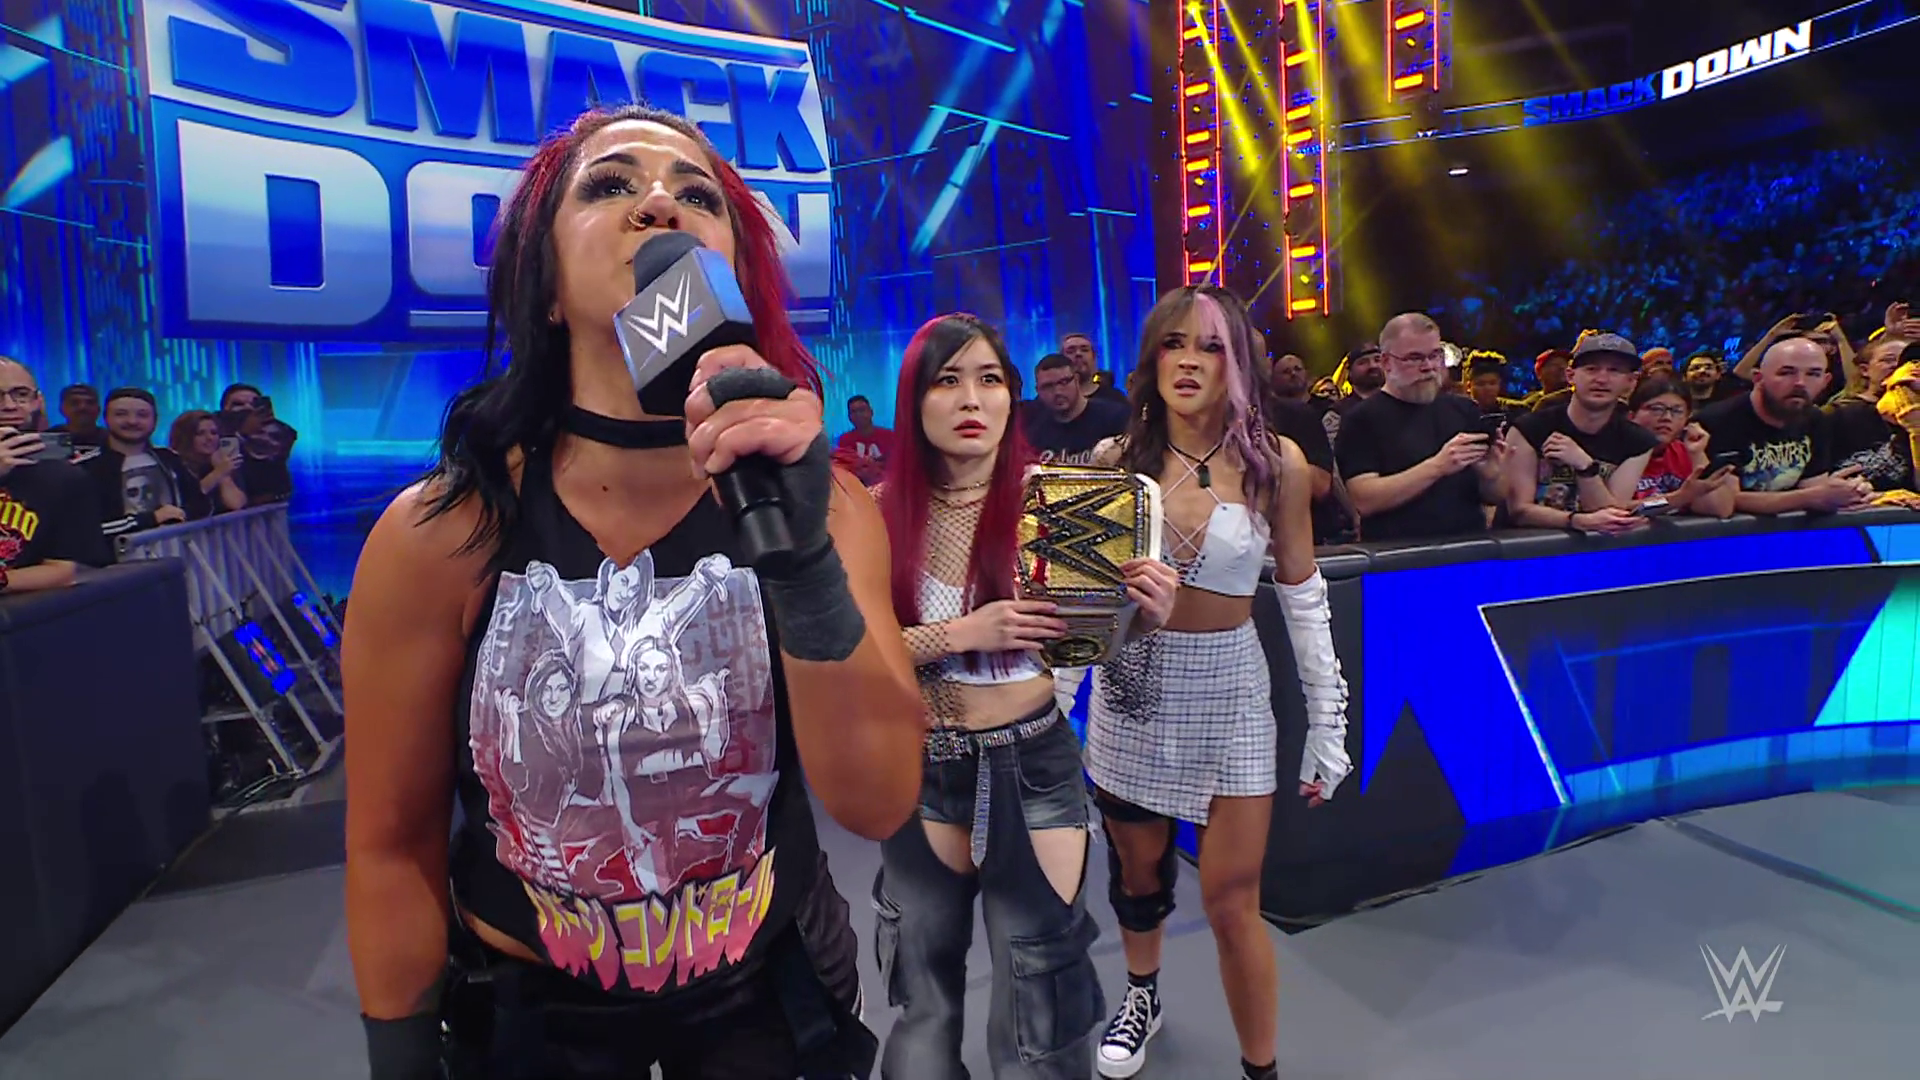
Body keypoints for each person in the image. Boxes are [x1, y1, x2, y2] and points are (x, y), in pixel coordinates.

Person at [341, 104, 924, 1080]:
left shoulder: (825, 509)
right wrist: (398, 1060)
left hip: (768, 1007)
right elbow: (390, 846)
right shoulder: (439, 534)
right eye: (610, 185)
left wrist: (803, 568)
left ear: (734, 271)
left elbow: (878, 801)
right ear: (544, 284)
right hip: (533, 1024)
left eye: (698, 194)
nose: (659, 204)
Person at [869, 313, 1177, 1079]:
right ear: (914, 399)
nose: (972, 399)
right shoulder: (874, 513)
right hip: (920, 764)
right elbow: (853, 660)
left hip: (1034, 759)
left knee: (1043, 996)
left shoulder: (1058, 504)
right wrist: (962, 632)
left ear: (1012, 396)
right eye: (948, 381)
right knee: (923, 996)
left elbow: (1082, 644)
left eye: (989, 380)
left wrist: (1142, 617)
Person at [1084, 286, 1350, 1080]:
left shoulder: (1276, 464)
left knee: (1234, 901)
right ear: (1151, 358)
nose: (1189, 362)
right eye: (1173, 344)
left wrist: (1328, 725)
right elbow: (1079, 611)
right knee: (1138, 875)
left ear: (1239, 361)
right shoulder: (1112, 463)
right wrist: (1058, 711)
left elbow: (1303, 596)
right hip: (1131, 687)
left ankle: (1260, 1069)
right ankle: (1142, 993)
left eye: (1210, 346)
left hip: (1232, 690)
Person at [0, 357, 110, 592]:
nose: (9, 405)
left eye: (21, 394)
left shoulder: (66, 478)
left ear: (38, 401)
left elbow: (65, 571)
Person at [166, 410, 248, 519]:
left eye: (214, 433)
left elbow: (236, 504)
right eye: (200, 433)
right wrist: (218, 473)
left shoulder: (222, 463)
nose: (210, 438)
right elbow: (190, 499)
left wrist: (223, 474)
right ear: (186, 437)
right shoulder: (173, 465)